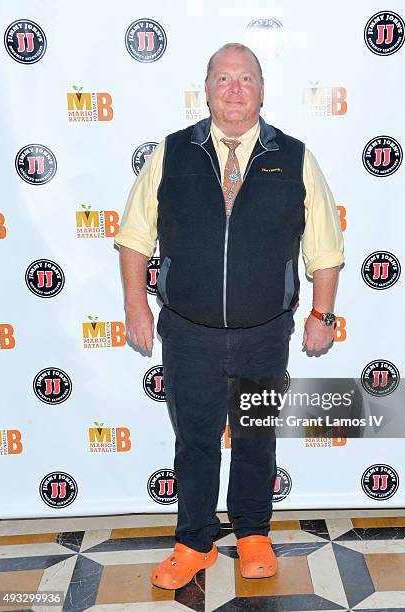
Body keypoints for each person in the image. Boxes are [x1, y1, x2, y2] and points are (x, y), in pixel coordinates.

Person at [114, 42, 344, 589]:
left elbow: (326, 248)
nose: (235, 89)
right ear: (207, 88)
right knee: (194, 440)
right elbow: (132, 238)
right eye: (223, 79)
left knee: (255, 438)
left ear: (262, 89)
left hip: (265, 333)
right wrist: (135, 307)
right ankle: (194, 542)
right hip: (188, 332)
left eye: (245, 79)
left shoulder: (294, 156)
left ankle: (253, 535)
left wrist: (323, 315)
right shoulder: (172, 152)